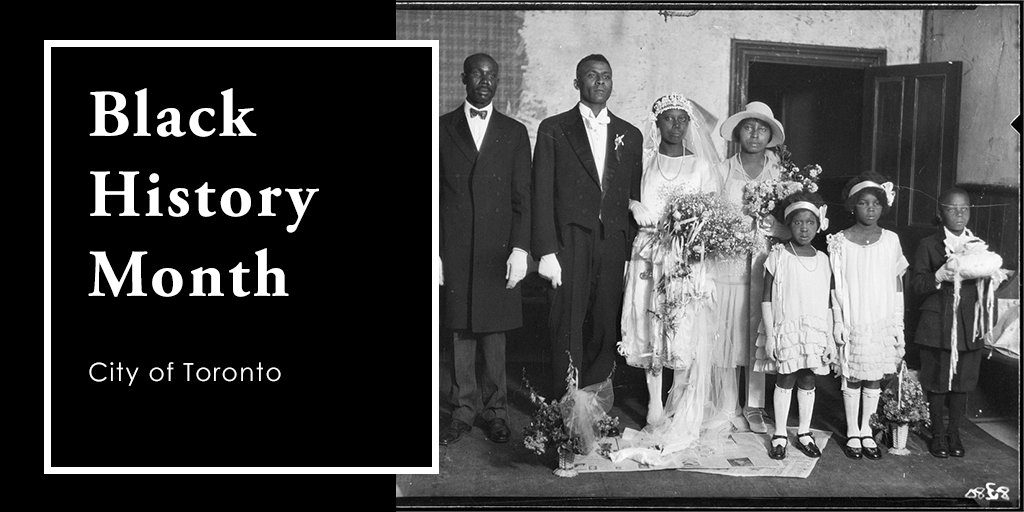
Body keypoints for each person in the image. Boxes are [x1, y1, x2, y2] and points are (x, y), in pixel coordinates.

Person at [532, 54, 643, 397]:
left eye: (606, 76)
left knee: (604, 324)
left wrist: (628, 254)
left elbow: (633, 197)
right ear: (577, 83)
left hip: (611, 242)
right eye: (591, 76)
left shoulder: (630, 133)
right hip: (570, 240)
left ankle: (594, 405)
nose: (599, 82)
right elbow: (541, 192)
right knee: (565, 323)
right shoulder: (554, 128)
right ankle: (563, 406)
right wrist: (546, 251)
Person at [439, 53, 532, 446]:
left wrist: (520, 250)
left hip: (498, 251)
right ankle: (462, 409)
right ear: (463, 78)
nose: (484, 80)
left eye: (491, 75)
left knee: (494, 333)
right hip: (455, 249)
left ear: (498, 82)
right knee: (461, 329)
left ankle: (495, 411)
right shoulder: (440, 129)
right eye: (477, 73)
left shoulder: (514, 132)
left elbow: (522, 199)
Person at [618, 93, 724, 428]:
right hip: (648, 252)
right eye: (668, 119)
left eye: (682, 119)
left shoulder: (702, 165)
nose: (676, 126)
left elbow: (710, 213)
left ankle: (678, 400)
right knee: (651, 323)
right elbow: (619, 189)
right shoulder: (644, 160)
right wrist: (632, 204)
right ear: (657, 122)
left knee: (681, 326)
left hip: (684, 254)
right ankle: (654, 406)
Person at [715, 101, 792, 434]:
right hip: (728, 264)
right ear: (738, 132)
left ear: (770, 134)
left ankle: (755, 405)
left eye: (761, 128)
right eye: (748, 127)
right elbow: (711, 217)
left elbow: (798, 224)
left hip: (765, 262)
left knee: (761, 330)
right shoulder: (721, 169)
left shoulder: (782, 174)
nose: (755, 134)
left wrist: (776, 226)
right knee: (729, 329)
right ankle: (726, 402)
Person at [826, 173, 908, 460]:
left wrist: (897, 321)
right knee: (852, 374)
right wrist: (837, 321)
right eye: (863, 203)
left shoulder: (891, 241)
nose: (870, 209)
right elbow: (836, 284)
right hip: (853, 316)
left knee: (873, 376)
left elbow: (897, 283)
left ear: (883, 207)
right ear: (852, 206)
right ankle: (851, 431)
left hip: (880, 316)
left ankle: (866, 429)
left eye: (875, 203)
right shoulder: (839, 242)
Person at [757, 192, 836, 460]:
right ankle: (779, 433)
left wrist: (829, 338)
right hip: (786, 329)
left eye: (810, 222)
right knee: (786, 377)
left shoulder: (824, 260)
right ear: (789, 225)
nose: (804, 228)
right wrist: (770, 335)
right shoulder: (779, 255)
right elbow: (766, 297)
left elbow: (827, 302)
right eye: (798, 222)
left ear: (818, 225)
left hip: (813, 331)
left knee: (808, 378)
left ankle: (804, 432)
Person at [909, 187, 984, 458]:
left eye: (964, 209)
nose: (959, 214)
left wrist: (994, 278)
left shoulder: (978, 245)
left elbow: (983, 284)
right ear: (940, 212)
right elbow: (917, 284)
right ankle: (938, 435)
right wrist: (938, 276)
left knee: (962, 382)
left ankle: (955, 434)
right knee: (938, 382)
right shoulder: (928, 244)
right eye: (952, 209)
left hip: (966, 324)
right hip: (937, 324)